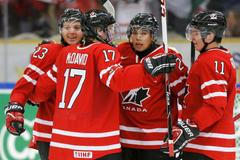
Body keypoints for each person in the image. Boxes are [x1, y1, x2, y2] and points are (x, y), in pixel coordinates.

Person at [27, 9, 177, 160]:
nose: (112, 33)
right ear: (98, 31)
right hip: (96, 142)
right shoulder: (105, 51)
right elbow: (116, 80)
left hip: (62, 141)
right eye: (109, 29)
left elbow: (39, 93)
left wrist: (30, 96)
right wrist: (148, 68)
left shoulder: (65, 53)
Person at [4, 8, 85, 160]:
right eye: (67, 27)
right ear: (60, 29)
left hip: (79, 130)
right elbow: (24, 85)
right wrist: (15, 109)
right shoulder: (50, 51)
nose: (71, 32)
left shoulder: (91, 53)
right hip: (50, 131)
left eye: (77, 27)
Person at [160, 10, 237, 160]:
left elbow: (215, 106)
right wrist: (176, 73)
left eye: (196, 33)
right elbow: (192, 98)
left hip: (207, 147)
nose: (192, 38)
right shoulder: (219, 57)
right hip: (211, 148)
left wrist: (188, 128)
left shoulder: (210, 61)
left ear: (210, 35)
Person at [117, 13, 188, 160]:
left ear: (153, 36)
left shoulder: (168, 55)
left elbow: (184, 94)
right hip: (124, 139)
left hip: (157, 141)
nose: (138, 37)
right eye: (134, 32)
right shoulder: (121, 52)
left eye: (144, 33)